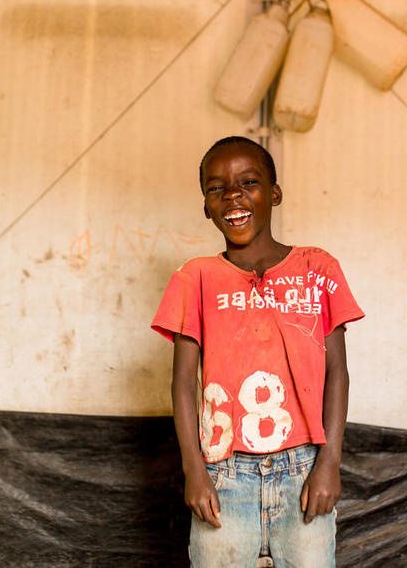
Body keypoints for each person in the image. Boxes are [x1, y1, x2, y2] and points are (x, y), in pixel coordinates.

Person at [151, 136, 364, 567]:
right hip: (224, 473)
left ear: (275, 193)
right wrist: (194, 470)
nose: (232, 194)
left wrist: (330, 462)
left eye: (248, 182)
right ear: (206, 205)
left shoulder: (317, 268)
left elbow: (336, 372)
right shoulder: (195, 279)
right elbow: (183, 385)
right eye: (216, 188)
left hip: (304, 471)